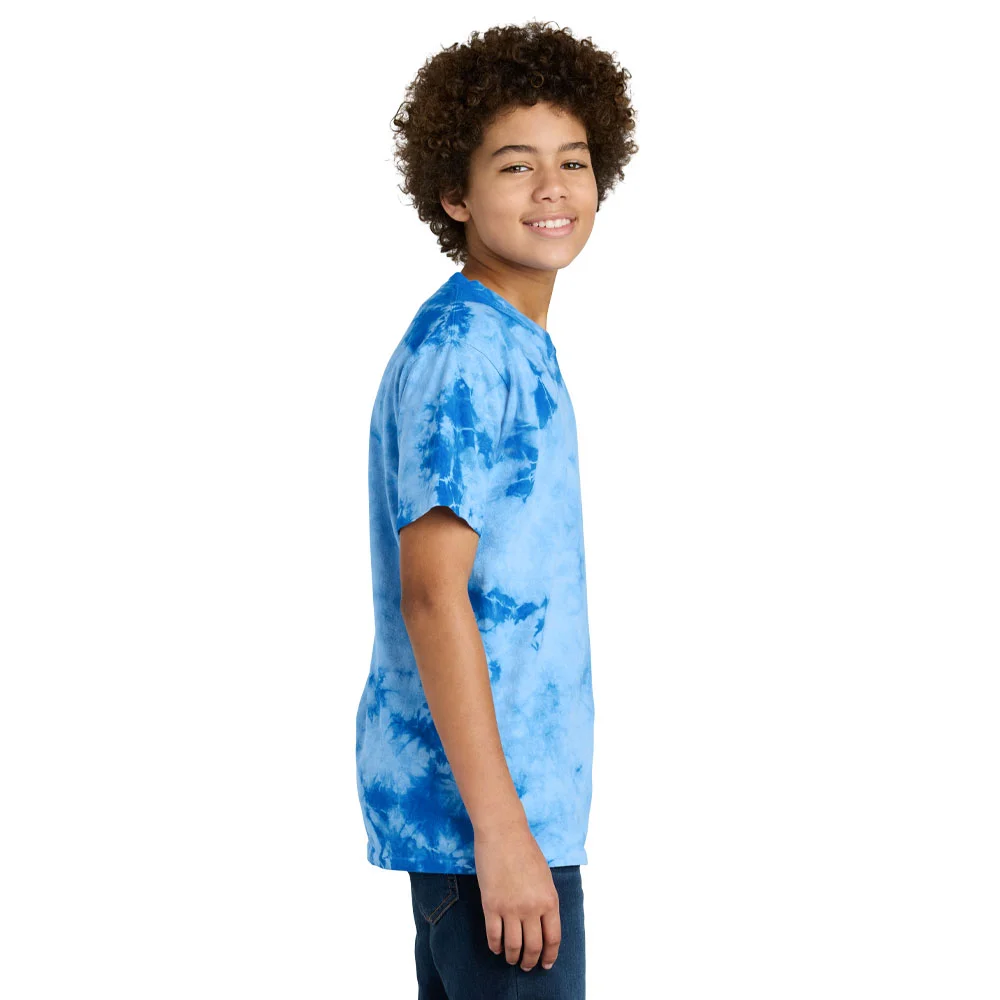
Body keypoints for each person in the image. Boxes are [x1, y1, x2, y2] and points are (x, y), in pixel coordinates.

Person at [355, 20, 638, 998]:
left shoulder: (510, 340)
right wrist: (504, 833)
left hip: (503, 826)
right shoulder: (468, 353)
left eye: (574, 161)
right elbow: (433, 595)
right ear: (455, 193)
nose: (552, 188)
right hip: (488, 833)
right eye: (516, 166)